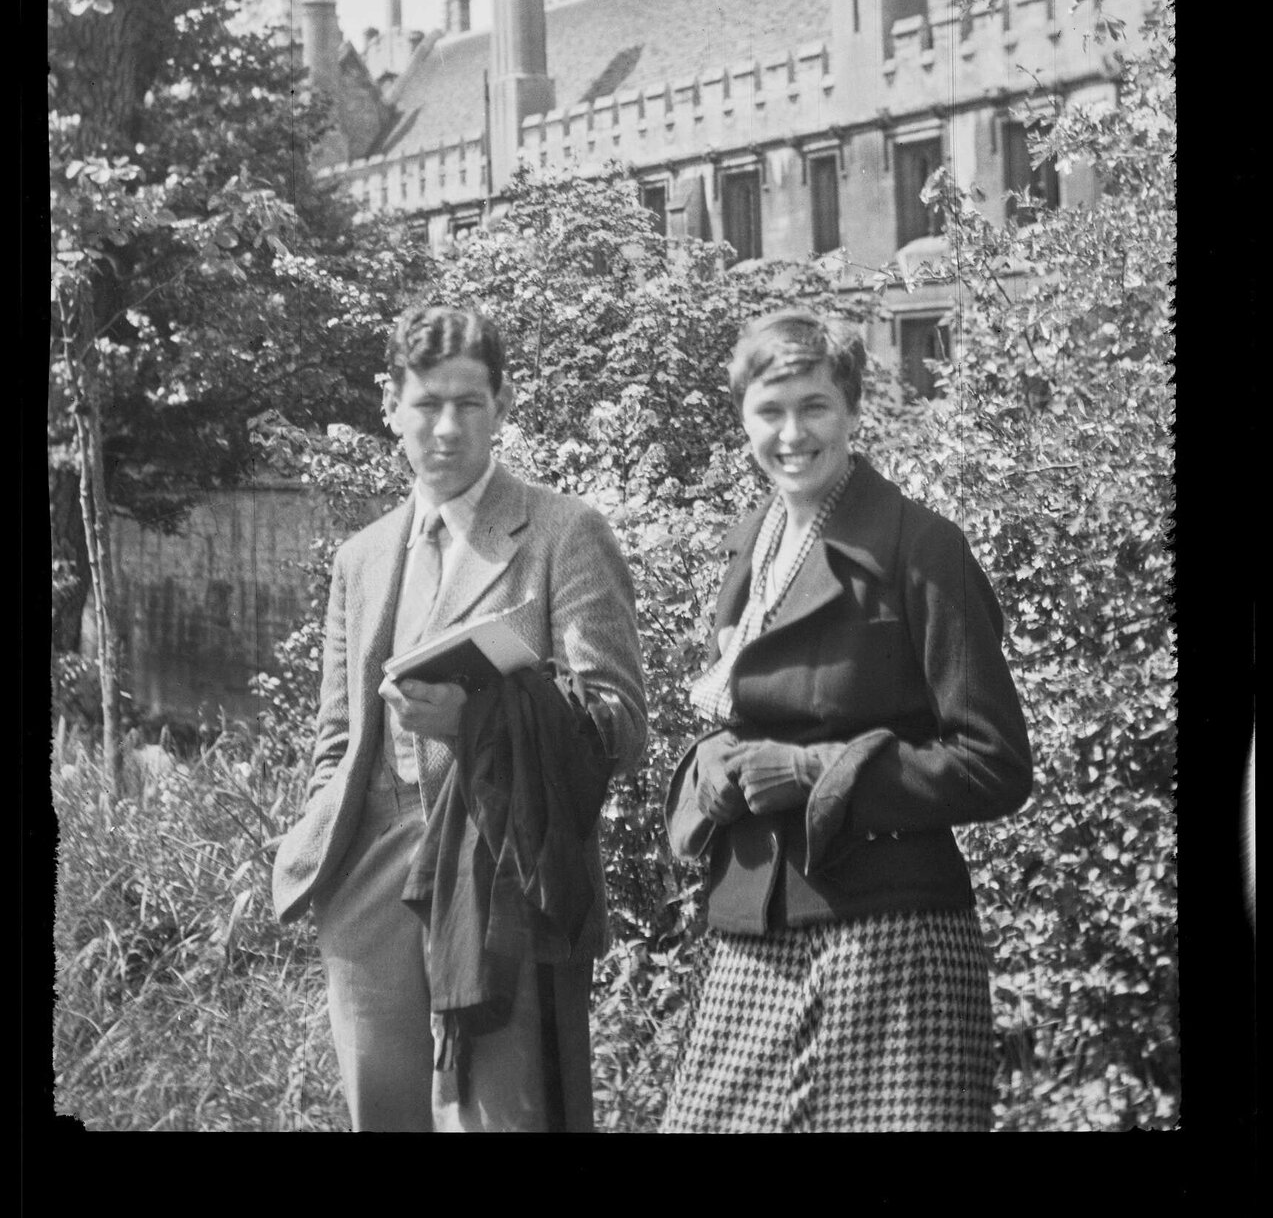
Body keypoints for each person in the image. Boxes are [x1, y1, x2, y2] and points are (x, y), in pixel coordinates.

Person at [272, 304, 647, 1132]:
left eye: (469, 404)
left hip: (502, 865)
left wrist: (474, 720)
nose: (446, 428)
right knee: (388, 1117)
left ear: (502, 408)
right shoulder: (361, 556)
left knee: (504, 1120)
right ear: (390, 407)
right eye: (427, 403)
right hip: (367, 872)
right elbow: (337, 736)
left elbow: (619, 725)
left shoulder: (563, 534)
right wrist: (323, 833)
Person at [662, 307, 1032, 1133]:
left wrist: (815, 772)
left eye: (815, 407)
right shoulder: (748, 543)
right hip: (752, 928)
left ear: (853, 410)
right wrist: (714, 764)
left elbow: (994, 761)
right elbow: (743, 705)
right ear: (742, 421)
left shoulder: (918, 547)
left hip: (892, 936)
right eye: (769, 410)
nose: (791, 433)